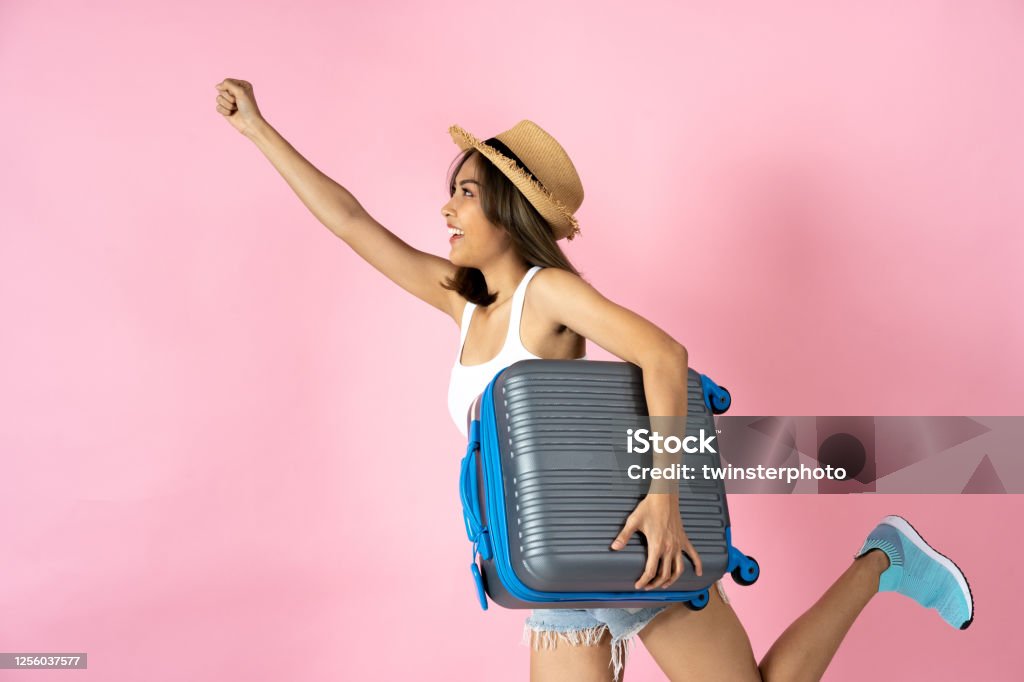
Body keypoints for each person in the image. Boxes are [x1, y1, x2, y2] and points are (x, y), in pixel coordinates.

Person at [214, 78, 975, 682]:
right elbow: (351, 222)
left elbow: (665, 355)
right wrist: (255, 129)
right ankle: (885, 560)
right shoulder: (463, 298)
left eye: (467, 194)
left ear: (509, 213)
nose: (446, 208)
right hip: (559, 572)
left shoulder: (548, 293)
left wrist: (666, 502)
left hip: (639, 548)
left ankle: (884, 560)